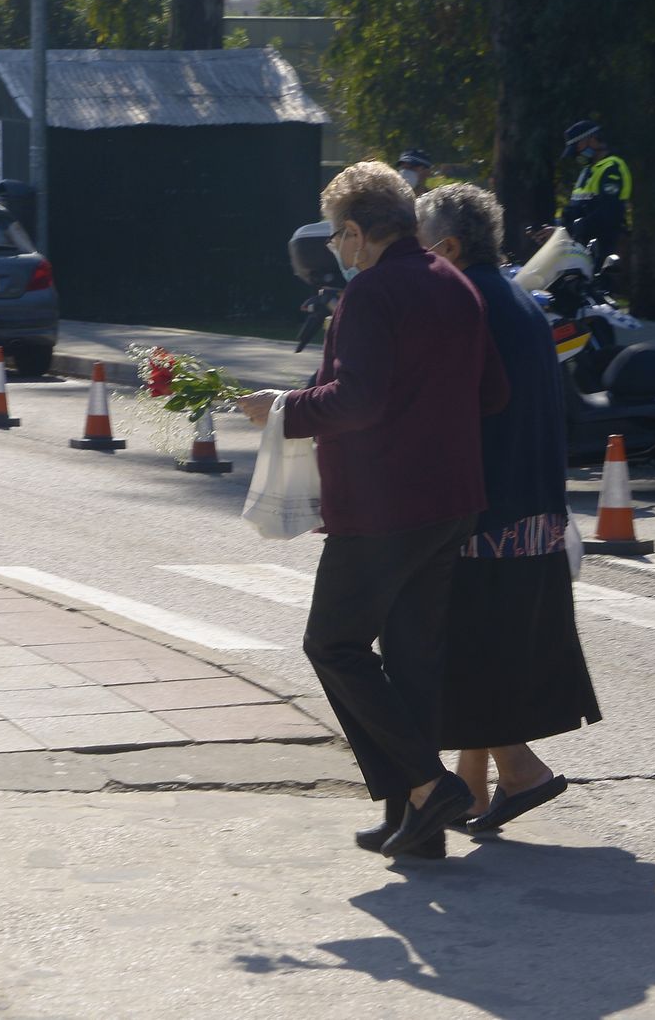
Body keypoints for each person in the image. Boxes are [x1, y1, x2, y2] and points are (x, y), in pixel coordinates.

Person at [237, 160, 509, 860]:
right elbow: (492, 395)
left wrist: (284, 408)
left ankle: (426, 783)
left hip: (384, 505)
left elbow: (355, 400)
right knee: (411, 658)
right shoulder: (457, 284)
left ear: (358, 232)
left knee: (333, 645)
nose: (335, 247)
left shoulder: (370, 294)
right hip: (451, 501)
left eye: (337, 235)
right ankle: (412, 823)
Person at [416, 184, 602, 831]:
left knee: (459, 652)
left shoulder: (465, 301)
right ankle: (469, 785)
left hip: (487, 513)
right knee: (483, 653)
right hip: (531, 507)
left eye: (420, 241)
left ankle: (521, 772)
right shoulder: (513, 296)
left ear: (450, 245)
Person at [559, 120, 631, 266]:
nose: (576, 153)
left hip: (604, 251)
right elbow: (575, 207)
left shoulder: (612, 168)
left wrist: (579, 226)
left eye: (577, 147)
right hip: (581, 252)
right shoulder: (587, 171)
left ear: (592, 139)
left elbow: (609, 211)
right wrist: (558, 228)